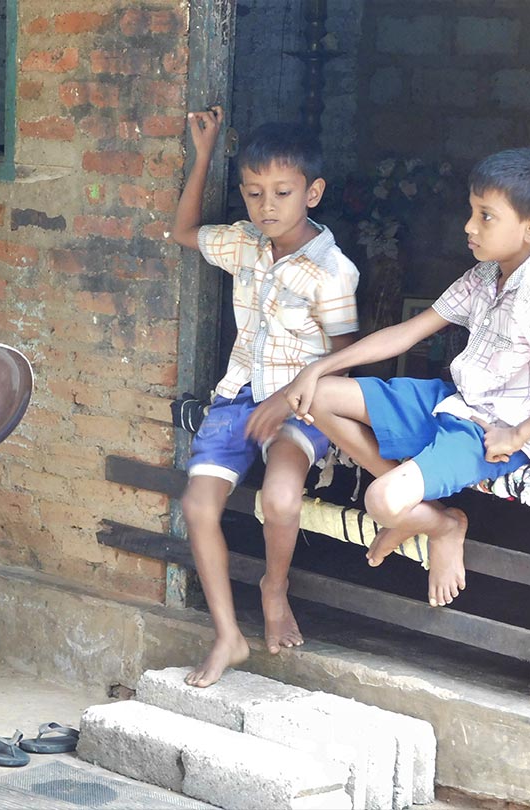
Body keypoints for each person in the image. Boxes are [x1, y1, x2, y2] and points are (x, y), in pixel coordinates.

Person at [282, 147, 530, 609]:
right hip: (450, 403)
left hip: (486, 433)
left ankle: (442, 525)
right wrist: (318, 366)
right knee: (321, 396)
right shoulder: (485, 275)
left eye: (485, 216)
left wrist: (520, 433)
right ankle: (421, 512)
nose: (469, 227)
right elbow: (407, 333)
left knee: (382, 502)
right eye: (472, 212)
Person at [169, 108, 359, 688]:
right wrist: (203, 157)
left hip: (305, 404)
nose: (266, 206)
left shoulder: (331, 271)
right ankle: (229, 634)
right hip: (237, 395)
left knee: (280, 499)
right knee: (197, 506)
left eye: (282, 192)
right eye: (254, 193)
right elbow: (183, 232)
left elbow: (349, 356)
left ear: (313, 192)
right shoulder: (246, 244)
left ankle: (274, 587)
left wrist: (288, 400)